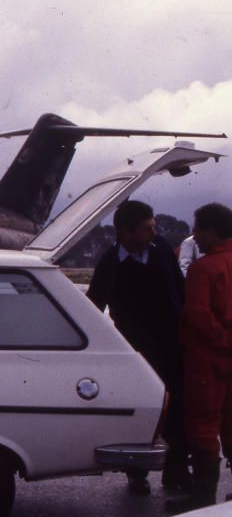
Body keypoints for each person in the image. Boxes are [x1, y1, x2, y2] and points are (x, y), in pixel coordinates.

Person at [87, 200, 189, 494]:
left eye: (154, 226)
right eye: (148, 228)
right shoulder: (109, 264)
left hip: (170, 348)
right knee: (139, 412)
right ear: (126, 232)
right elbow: (95, 307)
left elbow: (180, 295)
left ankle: (177, 473)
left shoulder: (162, 254)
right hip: (135, 353)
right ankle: (136, 472)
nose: (154, 232)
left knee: (176, 412)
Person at [166, 203, 232, 513]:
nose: (195, 236)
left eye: (198, 230)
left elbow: (199, 315)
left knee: (204, 425)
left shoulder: (203, 269)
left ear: (210, 231)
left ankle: (204, 497)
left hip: (208, 358)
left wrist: (222, 342)